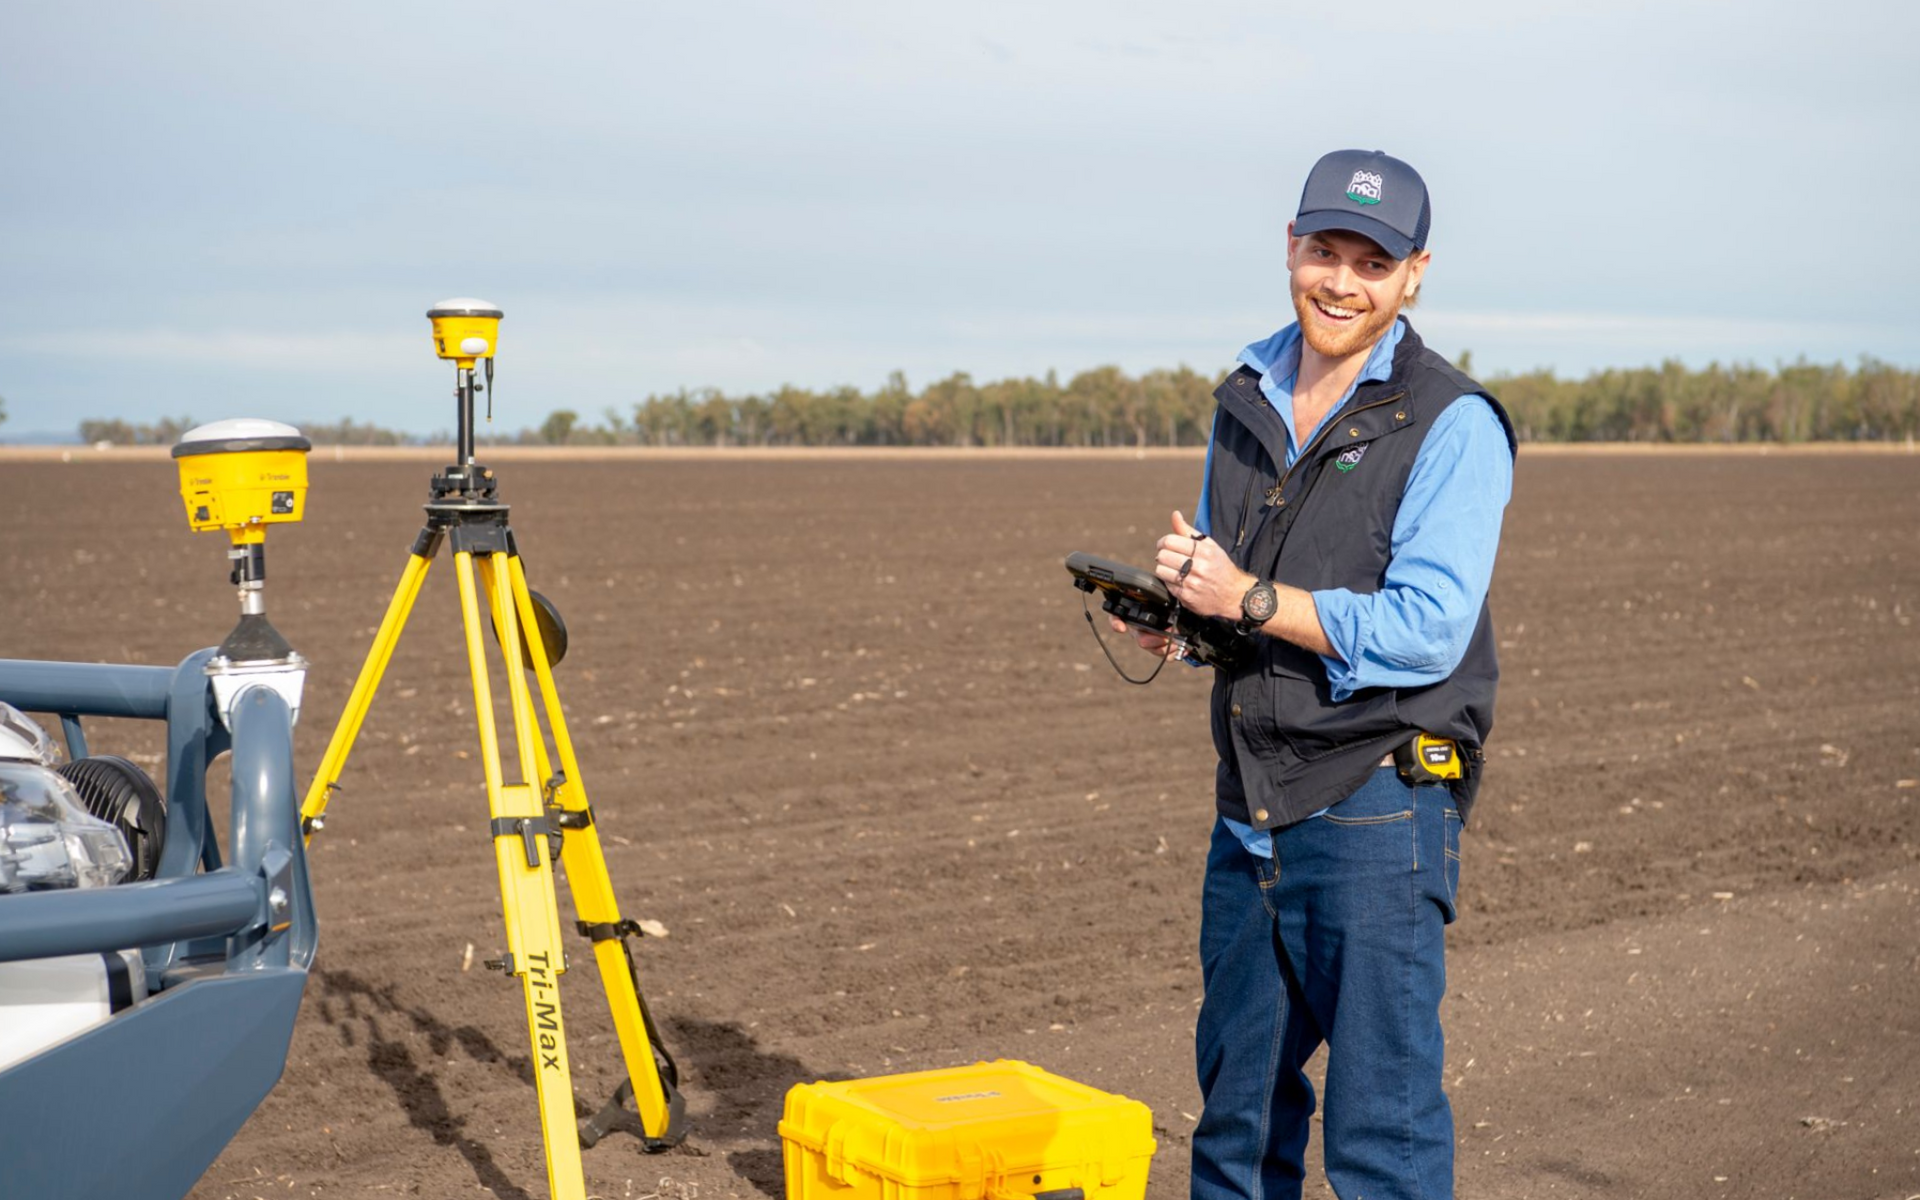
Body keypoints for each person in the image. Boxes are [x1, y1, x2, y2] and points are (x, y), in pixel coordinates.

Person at [1117, 149, 1516, 1200]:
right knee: (1239, 1125)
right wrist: (1188, 619)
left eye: (1372, 262)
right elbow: (1239, 580)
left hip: (1377, 802)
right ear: (1289, 248)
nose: (1341, 281)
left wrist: (1245, 599)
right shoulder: (1244, 396)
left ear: (1415, 273)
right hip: (1249, 804)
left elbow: (1429, 628)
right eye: (1323, 250)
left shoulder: (1453, 423)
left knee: (1381, 1138)